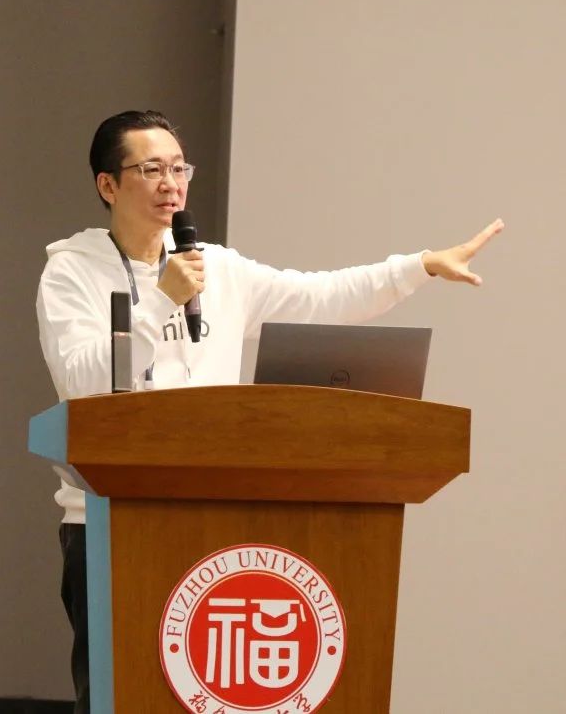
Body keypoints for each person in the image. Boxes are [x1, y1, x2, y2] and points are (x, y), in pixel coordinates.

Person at [35, 110, 503, 712]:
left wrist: (419, 266)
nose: (171, 184)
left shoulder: (218, 268)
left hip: (216, 510)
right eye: (151, 170)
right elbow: (82, 380)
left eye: (179, 168)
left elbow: (321, 296)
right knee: (122, 695)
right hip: (106, 518)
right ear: (108, 184)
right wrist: (159, 302)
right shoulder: (71, 272)